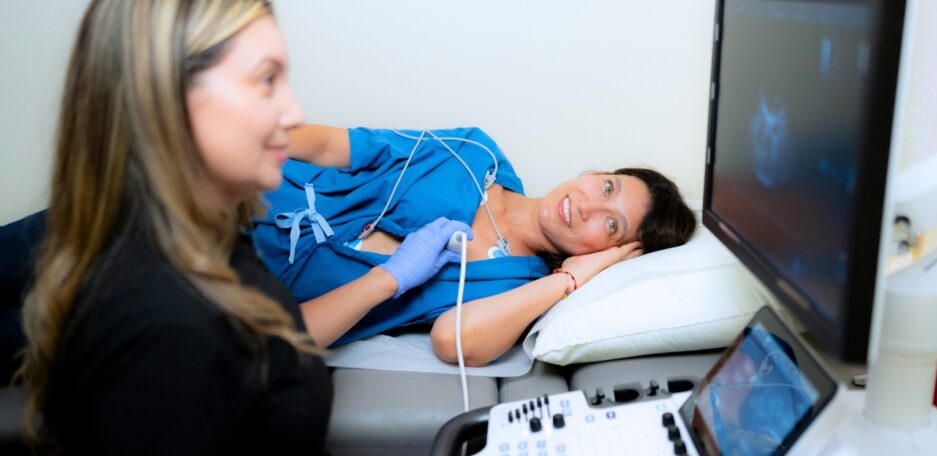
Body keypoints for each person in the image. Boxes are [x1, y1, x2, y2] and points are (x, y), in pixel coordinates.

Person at [19, 1, 510, 456]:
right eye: (265, 80)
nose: (293, 112)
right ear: (169, 100)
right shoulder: (159, 321)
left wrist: (392, 277)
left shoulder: (215, 243)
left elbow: (271, 345)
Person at [258, 124, 698, 365]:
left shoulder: (515, 286)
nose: (587, 205)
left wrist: (568, 280)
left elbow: (453, 340)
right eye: (607, 187)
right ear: (595, 174)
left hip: (256, 290)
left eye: (611, 224)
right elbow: (332, 146)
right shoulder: (475, 153)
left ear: (607, 253)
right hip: (250, 191)